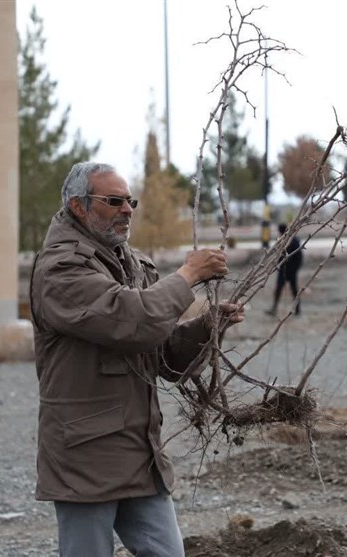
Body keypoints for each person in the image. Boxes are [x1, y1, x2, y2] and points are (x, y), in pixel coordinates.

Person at [29, 162, 244, 557]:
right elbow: (131, 319)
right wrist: (187, 276)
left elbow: (165, 358)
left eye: (130, 201)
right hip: (86, 458)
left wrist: (207, 326)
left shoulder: (134, 263)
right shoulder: (60, 268)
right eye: (114, 201)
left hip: (140, 454)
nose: (127, 209)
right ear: (79, 207)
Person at [266, 222, 303, 316]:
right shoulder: (282, 241)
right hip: (283, 270)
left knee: (294, 290)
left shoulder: (294, 240)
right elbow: (279, 256)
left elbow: (298, 257)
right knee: (280, 290)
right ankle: (274, 309)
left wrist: (295, 269)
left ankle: (297, 310)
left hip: (291, 271)